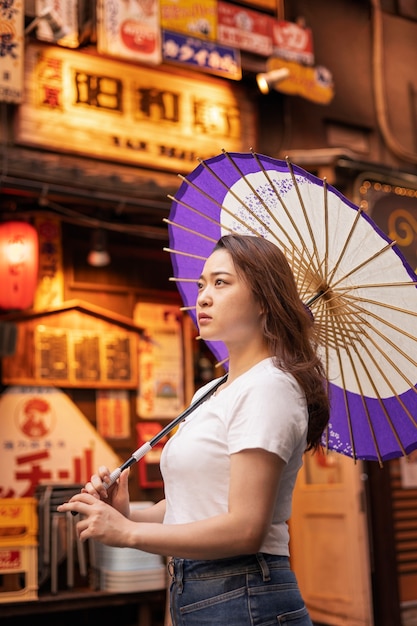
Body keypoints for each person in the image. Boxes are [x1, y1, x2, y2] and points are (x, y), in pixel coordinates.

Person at [58, 234, 330, 626]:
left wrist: (129, 535)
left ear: (264, 301)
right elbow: (196, 502)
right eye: (202, 284)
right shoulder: (212, 390)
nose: (202, 296)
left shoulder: (269, 387)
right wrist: (127, 514)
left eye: (221, 283)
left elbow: (245, 528)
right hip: (197, 591)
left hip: (244, 590)